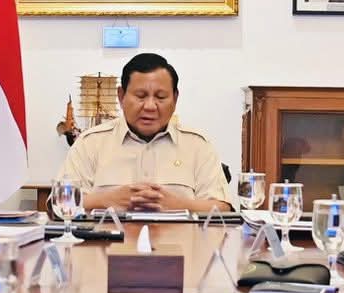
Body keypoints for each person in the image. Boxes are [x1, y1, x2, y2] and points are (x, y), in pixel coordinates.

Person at [55, 52, 229, 214]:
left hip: (180, 237)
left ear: (175, 99)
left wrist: (179, 205)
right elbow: (59, 202)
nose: (150, 106)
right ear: (121, 96)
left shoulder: (197, 145)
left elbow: (222, 208)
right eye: (140, 96)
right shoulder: (90, 143)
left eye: (160, 97)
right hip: (107, 237)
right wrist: (107, 200)